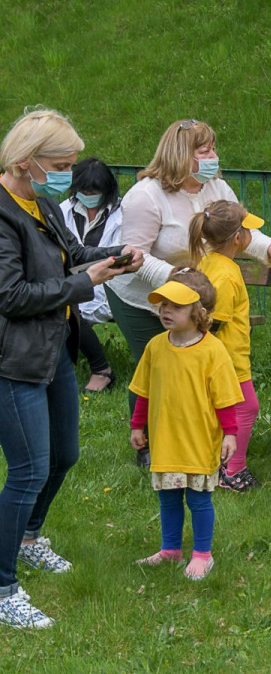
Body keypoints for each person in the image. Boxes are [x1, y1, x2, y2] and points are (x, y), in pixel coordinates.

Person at [0, 108, 141, 629]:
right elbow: (10, 296)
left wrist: (114, 256)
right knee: (29, 469)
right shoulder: (2, 213)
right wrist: (87, 283)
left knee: (64, 454)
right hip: (12, 357)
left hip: (54, 345)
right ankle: (2, 586)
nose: (68, 171)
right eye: (60, 163)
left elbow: (73, 253)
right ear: (26, 161)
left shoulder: (43, 202)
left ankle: (30, 536)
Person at [107, 119, 271, 466]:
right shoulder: (145, 196)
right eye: (204, 150)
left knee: (191, 364)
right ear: (180, 154)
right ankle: (147, 445)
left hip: (193, 294)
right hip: (141, 295)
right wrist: (179, 278)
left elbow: (240, 230)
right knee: (158, 365)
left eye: (213, 148)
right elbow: (134, 256)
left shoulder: (217, 188)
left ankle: (194, 440)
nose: (214, 156)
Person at [129, 270, 241, 582]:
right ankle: (170, 550)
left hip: (199, 440)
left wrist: (230, 433)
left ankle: (203, 554)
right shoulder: (155, 346)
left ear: (198, 312)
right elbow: (144, 391)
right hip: (166, 440)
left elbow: (227, 398)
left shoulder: (212, 350)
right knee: (168, 497)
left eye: (175, 305)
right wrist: (137, 426)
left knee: (198, 499)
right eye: (162, 303)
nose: (165, 310)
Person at [190, 201, 267, 493]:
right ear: (237, 238)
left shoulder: (211, 261)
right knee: (247, 407)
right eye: (248, 230)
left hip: (223, 358)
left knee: (223, 411)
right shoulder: (225, 274)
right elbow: (215, 323)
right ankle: (233, 470)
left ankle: (213, 462)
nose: (251, 235)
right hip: (229, 358)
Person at [58, 157, 124, 394]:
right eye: (84, 191)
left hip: (111, 285)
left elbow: (118, 256)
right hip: (73, 280)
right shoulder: (63, 210)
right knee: (62, 303)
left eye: (95, 191)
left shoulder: (122, 213)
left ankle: (101, 369)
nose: (89, 196)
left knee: (67, 308)